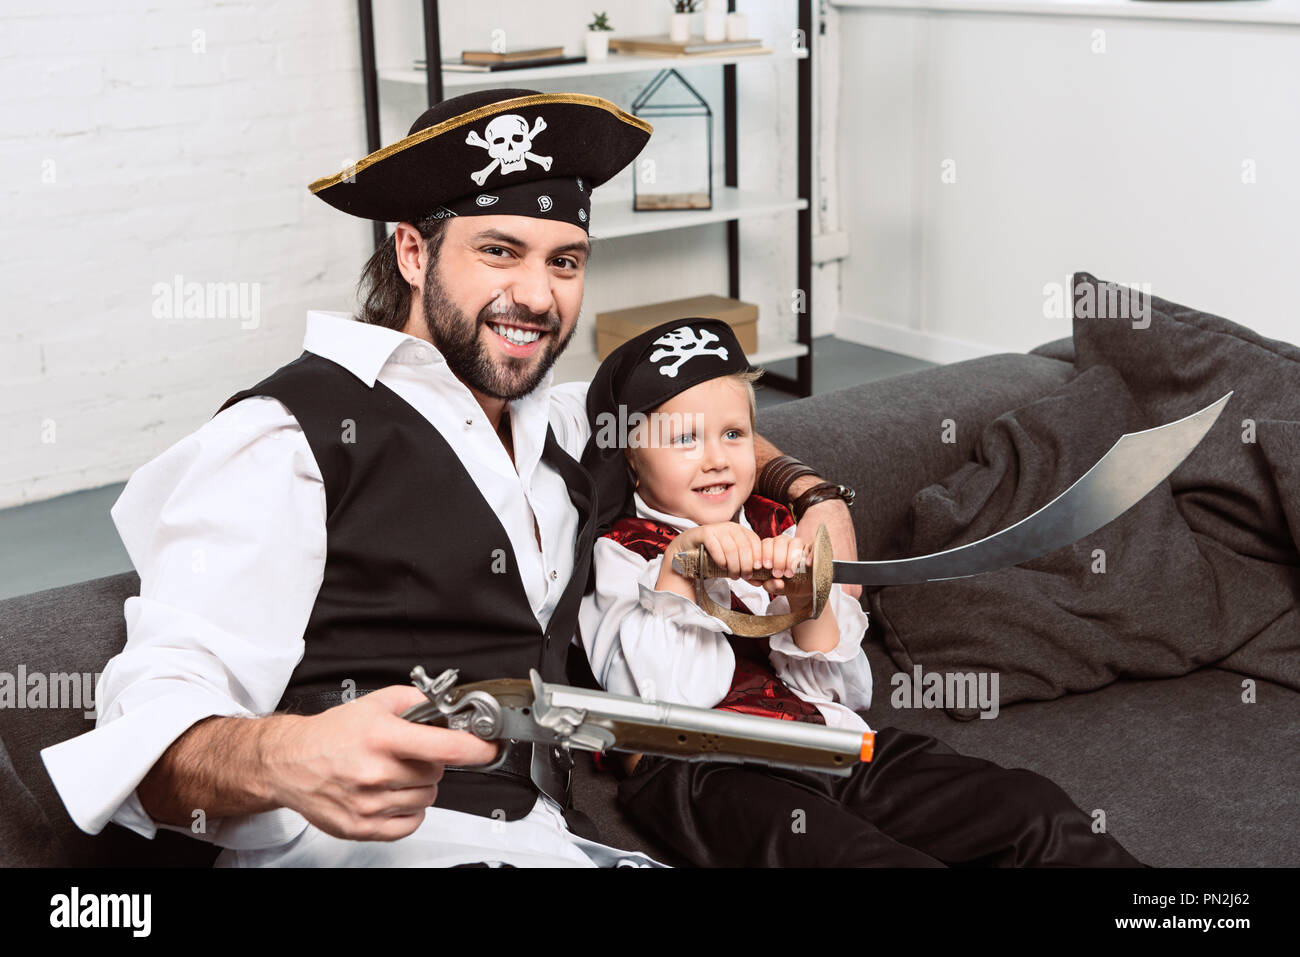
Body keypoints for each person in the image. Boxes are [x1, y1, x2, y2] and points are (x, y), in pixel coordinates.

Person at [39, 89, 860, 868]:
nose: (536, 295)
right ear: (411, 248)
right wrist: (284, 753)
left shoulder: (569, 422)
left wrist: (802, 486)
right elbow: (153, 717)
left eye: (565, 260)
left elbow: (711, 423)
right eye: (499, 250)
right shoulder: (284, 438)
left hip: (545, 829)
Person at [577, 317, 1148, 867]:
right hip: (705, 771)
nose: (716, 459)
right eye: (683, 438)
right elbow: (663, 709)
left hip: (825, 740)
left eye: (733, 433)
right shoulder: (621, 555)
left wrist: (808, 599)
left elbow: (837, 691)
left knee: (1032, 811)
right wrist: (681, 569)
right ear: (630, 455)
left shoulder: (778, 527)